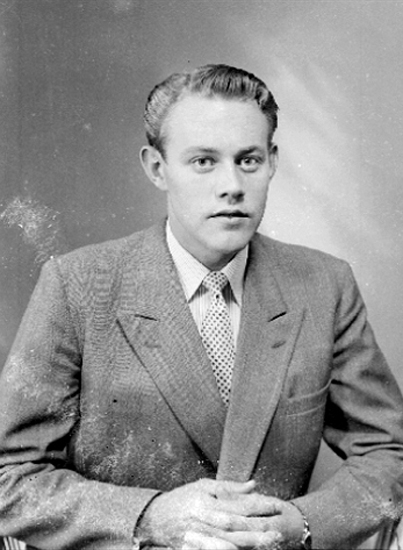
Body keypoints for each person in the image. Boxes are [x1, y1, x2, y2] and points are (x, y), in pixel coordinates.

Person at [0, 64, 402, 550]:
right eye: (204, 161)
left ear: (272, 163)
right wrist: (147, 517)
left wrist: (301, 524)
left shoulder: (323, 285)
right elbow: (9, 477)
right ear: (157, 168)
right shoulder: (77, 286)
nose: (231, 185)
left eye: (248, 160)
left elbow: (390, 451)